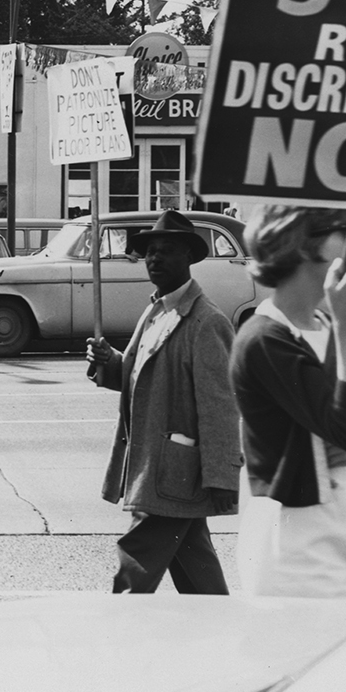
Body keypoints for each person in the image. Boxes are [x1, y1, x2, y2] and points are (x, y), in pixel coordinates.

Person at [229, 205, 346, 598]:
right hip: (294, 549)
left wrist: (344, 323)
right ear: (302, 244)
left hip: (340, 536)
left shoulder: (324, 325)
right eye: (344, 230)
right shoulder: (265, 338)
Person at [85, 210, 242, 594]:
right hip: (159, 468)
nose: (155, 259)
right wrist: (111, 363)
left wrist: (222, 476)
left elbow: (220, 407)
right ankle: (220, 634)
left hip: (173, 472)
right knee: (196, 565)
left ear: (188, 258)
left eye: (167, 251)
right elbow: (142, 378)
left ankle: (117, 641)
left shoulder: (207, 322)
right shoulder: (156, 308)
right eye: (151, 251)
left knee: (136, 560)